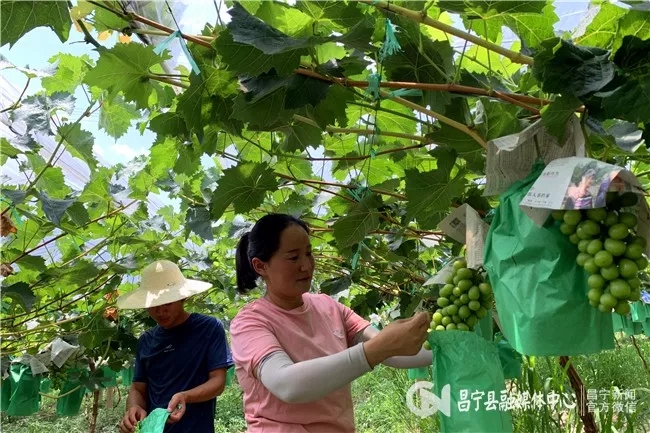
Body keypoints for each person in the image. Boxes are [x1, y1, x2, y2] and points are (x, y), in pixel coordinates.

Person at [230, 213, 433, 433]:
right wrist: (376, 350)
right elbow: (287, 384)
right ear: (260, 266)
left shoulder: (328, 306)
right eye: (293, 258)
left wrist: (450, 345)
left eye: (309, 253)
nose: (306, 266)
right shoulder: (250, 323)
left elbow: (392, 352)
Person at [116, 260, 234, 433]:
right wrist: (134, 408)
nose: (160, 311)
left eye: (167, 303)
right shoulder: (145, 341)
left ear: (182, 297)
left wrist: (186, 396)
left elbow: (218, 382)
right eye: (154, 305)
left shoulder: (208, 328)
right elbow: (138, 388)